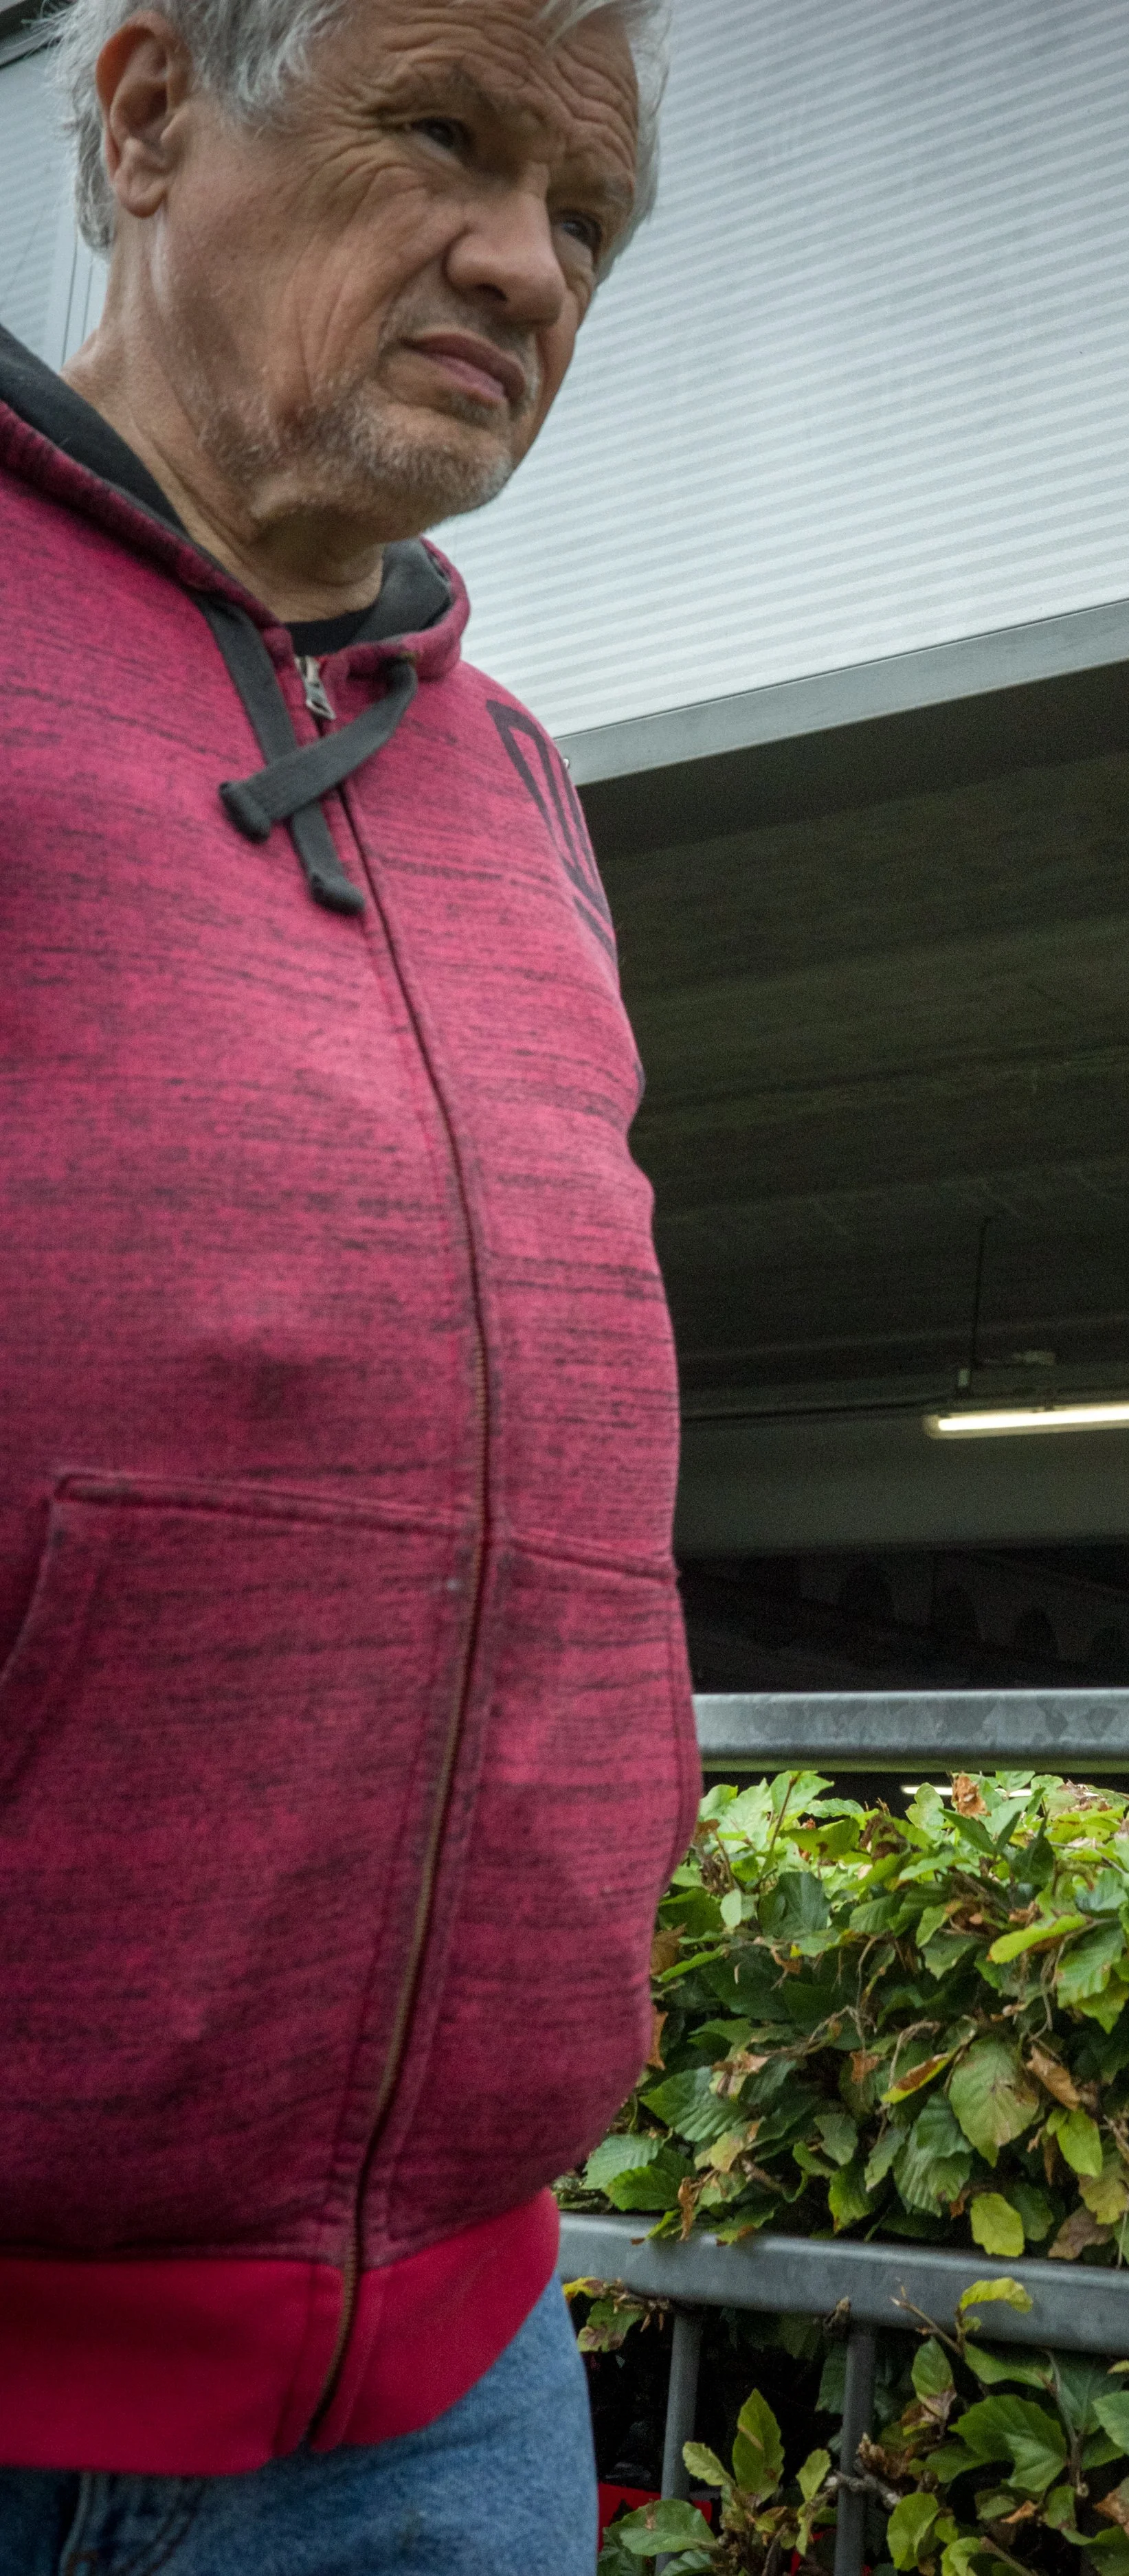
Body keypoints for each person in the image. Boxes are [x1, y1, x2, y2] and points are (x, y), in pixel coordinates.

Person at [0, 0, 696, 2564]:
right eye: (445, 138)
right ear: (154, 109)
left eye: (587, 218)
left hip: (442, 2406)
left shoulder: (512, 781)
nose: (521, 259)